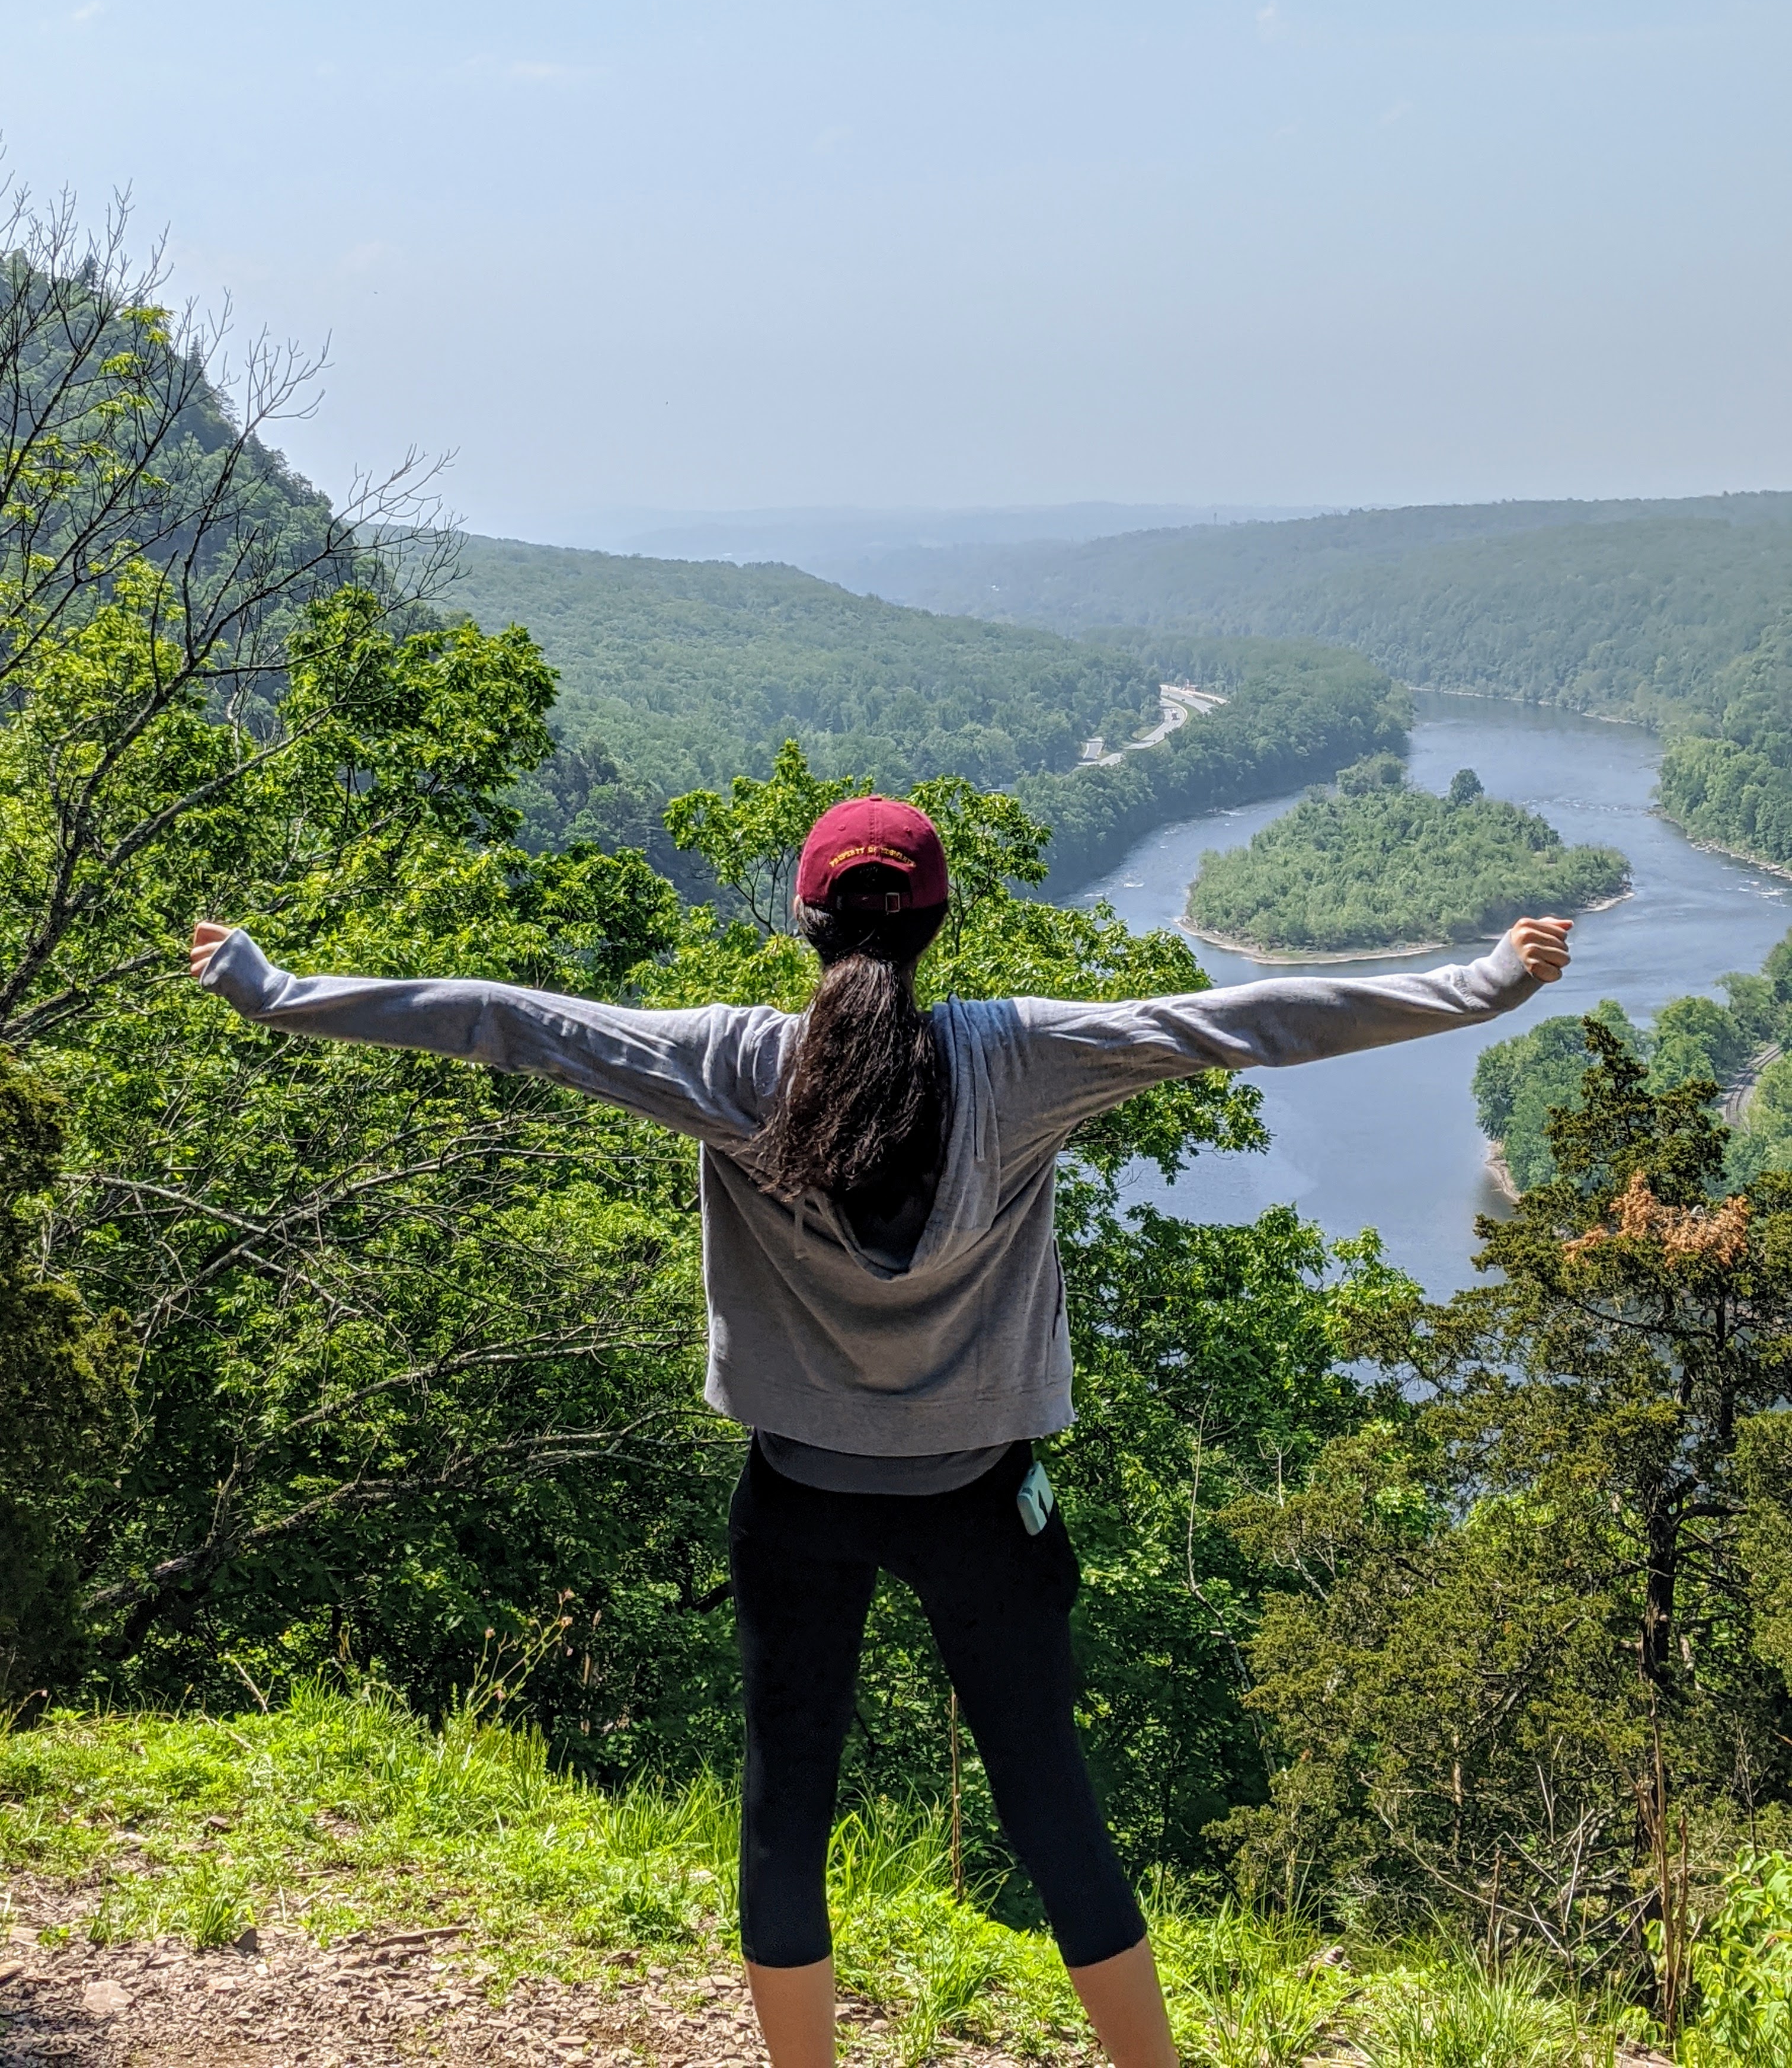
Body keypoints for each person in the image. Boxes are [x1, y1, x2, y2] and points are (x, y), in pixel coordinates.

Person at [191, 793, 1572, 2068]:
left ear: (804, 922)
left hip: (797, 1498)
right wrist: (1484, 983)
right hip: (982, 1501)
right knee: (1051, 1806)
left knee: (786, 1812)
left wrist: (272, 989)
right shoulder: (1020, 1058)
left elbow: (509, 1018)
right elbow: (1245, 1021)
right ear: (936, 924)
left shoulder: (728, 1064)